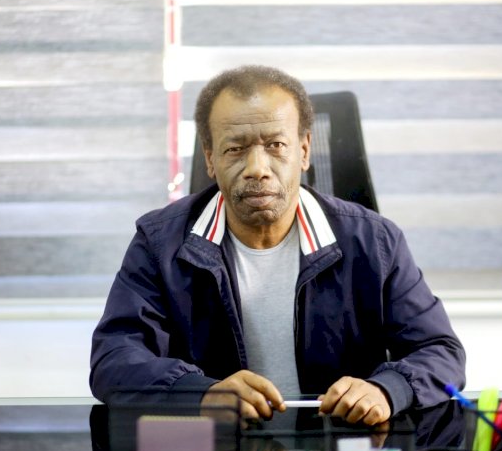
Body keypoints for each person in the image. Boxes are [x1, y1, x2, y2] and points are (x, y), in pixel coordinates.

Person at [90, 65, 466, 426]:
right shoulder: (160, 244)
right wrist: (200, 393)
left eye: (275, 145)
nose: (257, 167)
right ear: (210, 158)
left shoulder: (375, 241)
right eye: (235, 149)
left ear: (304, 150)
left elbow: (440, 351)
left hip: (341, 449)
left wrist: (387, 389)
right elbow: (113, 359)